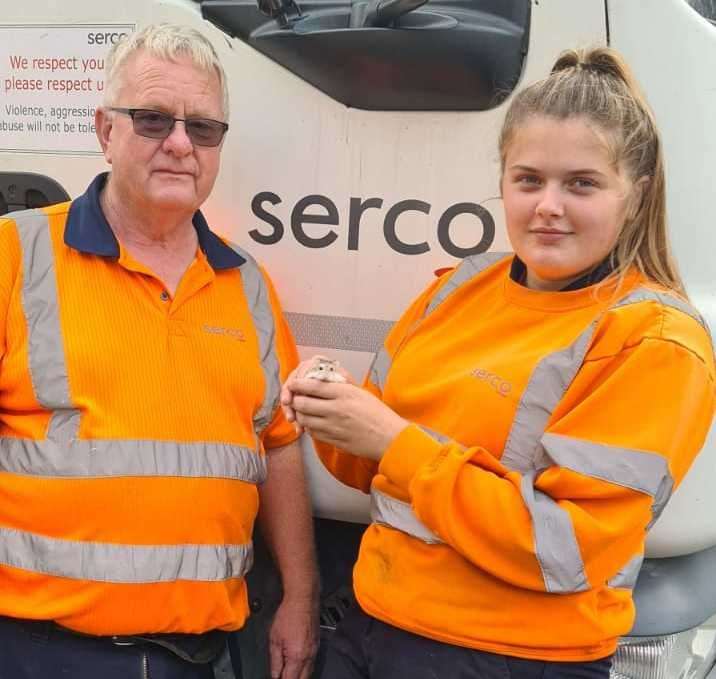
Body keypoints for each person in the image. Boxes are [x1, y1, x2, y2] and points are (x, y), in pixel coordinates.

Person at [282, 47, 716, 678]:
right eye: (529, 179)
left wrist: (392, 440)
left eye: (582, 183)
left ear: (636, 194)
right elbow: (367, 467)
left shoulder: (654, 341)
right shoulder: (461, 287)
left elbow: (566, 549)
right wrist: (335, 412)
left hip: (508, 658)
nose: (548, 205)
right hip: (372, 628)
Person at [0, 24, 318, 679]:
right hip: (34, 649)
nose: (179, 143)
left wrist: (302, 595)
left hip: (193, 657)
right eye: (152, 119)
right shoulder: (16, 253)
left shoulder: (246, 285)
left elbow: (279, 443)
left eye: (202, 127)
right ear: (105, 131)